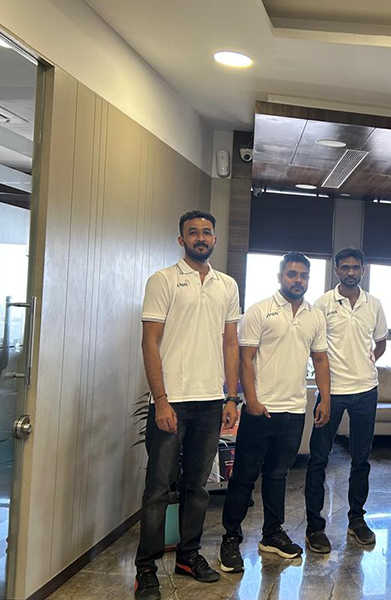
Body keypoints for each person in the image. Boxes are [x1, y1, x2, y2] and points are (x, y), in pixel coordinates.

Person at [134, 211, 241, 600]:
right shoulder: (163, 280)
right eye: (193, 232)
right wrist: (161, 401)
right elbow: (150, 342)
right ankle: (146, 568)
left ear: (215, 239)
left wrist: (231, 396)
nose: (200, 237)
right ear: (181, 240)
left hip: (211, 402)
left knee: (198, 486)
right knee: (158, 488)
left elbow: (231, 342)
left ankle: (188, 555)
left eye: (206, 232)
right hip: (172, 403)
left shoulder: (227, 285)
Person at [218, 252, 331, 572]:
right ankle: (230, 538)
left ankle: (272, 534)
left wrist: (325, 399)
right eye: (292, 274)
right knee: (244, 476)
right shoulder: (259, 310)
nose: (298, 280)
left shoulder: (314, 316)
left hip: (294, 411)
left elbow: (320, 359)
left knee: (278, 476)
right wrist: (251, 400)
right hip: (261, 410)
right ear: (280, 276)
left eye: (303, 275)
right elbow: (245, 358)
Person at [304, 248, 389, 553]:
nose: (351, 272)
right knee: (318, 459)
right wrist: (325, 393)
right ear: (336, 270)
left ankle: (357, 519)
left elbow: (380, 343)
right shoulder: (322, 304)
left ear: (362, 270)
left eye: (356, 267)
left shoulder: (373, 304)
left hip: (366, 391)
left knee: (361, 460)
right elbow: (315, 349)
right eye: (345, 267)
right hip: (331, 392)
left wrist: (366, 361)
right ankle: (315, 526)